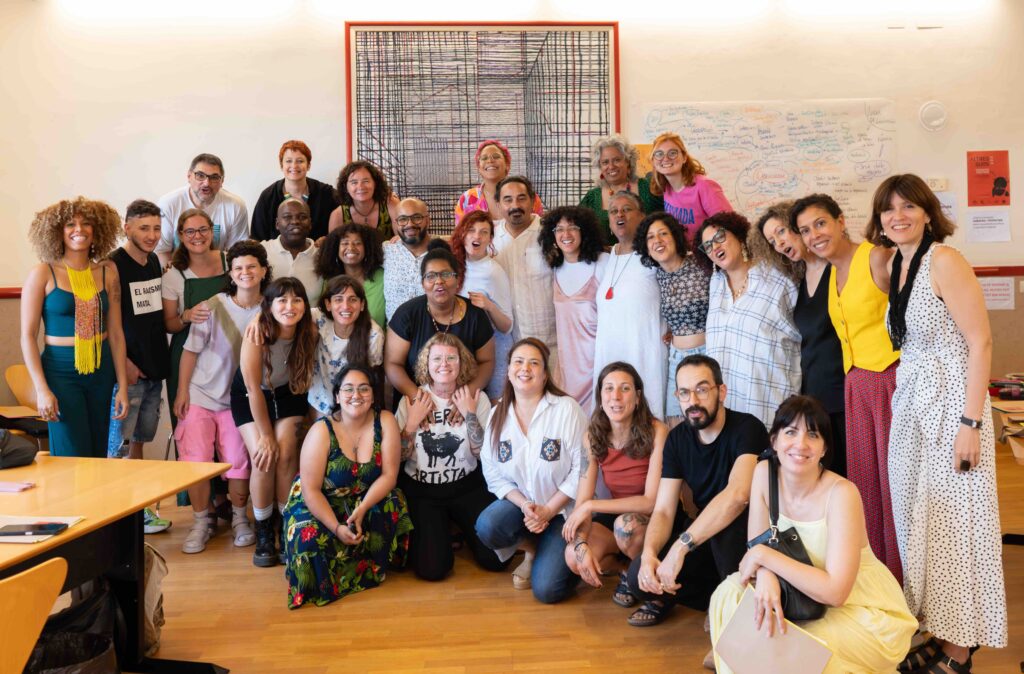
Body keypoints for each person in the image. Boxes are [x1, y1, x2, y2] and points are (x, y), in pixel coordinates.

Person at [868, 174, 1007, 670]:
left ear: (928, 212)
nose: (897, 216)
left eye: (909, 206)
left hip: (953, 404)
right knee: (917, 519)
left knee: (956, 523)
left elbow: (980, 342)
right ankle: (941, 625)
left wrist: (971, 423)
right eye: (888, 209)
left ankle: (960, 648)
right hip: (912, 402)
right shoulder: (895, 264)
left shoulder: (945, 260)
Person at [708, 395, 917, 674]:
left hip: (859, 609)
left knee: (792, 645)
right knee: (727, 595)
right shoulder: (764, 473)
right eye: (790, 432)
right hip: (797, 595)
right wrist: (766, 574)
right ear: (774, 441)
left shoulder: (842, 494)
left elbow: (836, 592)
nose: (801, 444)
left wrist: (763, 557)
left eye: (813, 434)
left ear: (824, 448)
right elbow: (759, 546)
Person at [793, 193, 901, 581]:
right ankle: (879, 577)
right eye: (806, 230)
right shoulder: (831, 273)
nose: (814, 235)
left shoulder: (877, 258)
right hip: (856, 388)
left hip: (888, 381)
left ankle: (907, 578)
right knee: (866, 487)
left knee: (895, 487)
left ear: (841, 221)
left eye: (820, 223)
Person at [627, 354, 766, 636]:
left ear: (721, 391)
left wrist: (680, 548)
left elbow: (738, 495)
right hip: (704, 537)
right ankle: (716, 598)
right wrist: (650, 554)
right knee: (637, 578)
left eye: (702, 390)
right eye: (684, 392)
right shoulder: (677, 439)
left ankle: (735, 613)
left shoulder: (747, 428)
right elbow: (663, 510)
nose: (693, 401)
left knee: (727, 529)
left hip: (747, 535)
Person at [283, 364, 413, 608]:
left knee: (393, 500)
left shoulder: (385, 420)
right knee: (306, 536)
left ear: (373, 395)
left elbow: (389, 476)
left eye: (364, 389)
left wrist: (362, 509)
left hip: (363, 497)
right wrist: (335, 527)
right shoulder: (321, 430)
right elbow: (311, 490)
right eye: (348, 389)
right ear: (337, 396)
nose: (356, 395)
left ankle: (372, 566)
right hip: (322, 501)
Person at [172, 240, 269, 554]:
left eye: (252, 266)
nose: (245, 273)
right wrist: (182, 391)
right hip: (200, 395)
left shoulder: (272, 309)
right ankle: (201, 523)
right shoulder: (212, 306)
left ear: (264, 271)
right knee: (196, 461)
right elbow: (189, 352)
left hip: (240, 401)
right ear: (231, 272)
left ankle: (240, 519)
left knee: (239, 463)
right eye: (238, 267)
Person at [475, 338, 587, 604]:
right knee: (488, 526)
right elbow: (492, 472)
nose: (525, 368)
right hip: (524, 509)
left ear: (545, 374)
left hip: (562, 512)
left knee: (548, 590)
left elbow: (582, 470)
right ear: (508, 371)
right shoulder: (497, 414)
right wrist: (525, 505)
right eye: (518, 362)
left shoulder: (566, 409)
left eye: (534, 363)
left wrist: (548, 510)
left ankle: (562, 551)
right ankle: (533, 548)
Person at [21, 197, 129, 457]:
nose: (79, 229)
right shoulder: (43, 273)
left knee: (99, 453)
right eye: (70, 224)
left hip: (102, 371)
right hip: (60, 373)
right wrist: (42, 389)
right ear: (57, 231)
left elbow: (116, 334)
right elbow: (27, 336)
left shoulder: (108, 273)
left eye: (86, 223)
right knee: (71, 454)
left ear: (97, 229)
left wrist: (123, 387)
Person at [396, 333, 506, 580]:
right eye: (436, 358)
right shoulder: (412, 399)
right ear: (426, 364)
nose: (443, 364)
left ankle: (458, 530)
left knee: (495, 559)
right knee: (432, 570)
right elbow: (399, 457)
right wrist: (412, 423)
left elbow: (483, 454)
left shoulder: (475, 397)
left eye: (451, 358)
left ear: (461, 362)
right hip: (423, 491)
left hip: (467, 486)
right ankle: (443, 532)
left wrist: (470, 415)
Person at [562, 362, 667, 608]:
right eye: (608, 388)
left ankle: (648, 580)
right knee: (573, 555)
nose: (616, 396)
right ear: (600, 397)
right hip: (617, 517)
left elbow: (650, 502)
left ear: (638, 397)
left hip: (654, 519)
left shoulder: (657, 431)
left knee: (625, 526)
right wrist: (581, 542)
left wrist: (590, 506)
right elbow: (582, 500)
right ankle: (627, 571)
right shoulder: (592, 436)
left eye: (625, 388)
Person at [753, 201, 846, 476]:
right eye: (772, 241)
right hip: (815, 395)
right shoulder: (801, 279)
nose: (779, 243)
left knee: (848, 474)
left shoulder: (838, 269)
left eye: (781, 232)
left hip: (843, 392)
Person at [233, 277, 318, 567]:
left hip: (288, 393)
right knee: (263, 456)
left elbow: (332, 308)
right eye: (282, 300)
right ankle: (263, 530)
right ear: (268, 306)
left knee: (287, 452)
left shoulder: (309, 328)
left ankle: (286, 524)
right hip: (251, 395)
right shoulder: (258, 333)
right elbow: (252, 389)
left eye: (297, 300)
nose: (290, 306)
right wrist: (265, 435)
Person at [696, 211, 801, 428]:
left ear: (739, 235)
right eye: (707, 246)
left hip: (770, 402)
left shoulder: (776, 278)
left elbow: (803, 334)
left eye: (720, 237)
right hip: (727, 409)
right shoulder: (715, 284)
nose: (715, 247)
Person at [106, 199, 172, 533]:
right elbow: (108, 323)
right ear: (127, 227)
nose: (151, 235)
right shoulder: (112, 265)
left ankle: (138, 513)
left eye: (156, 228)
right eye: (144, 228)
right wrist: (125, 365)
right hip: (128, 372)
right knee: (117, 447)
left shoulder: (154, 261)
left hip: (154, 367)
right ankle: (114, 518)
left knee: (139, 442)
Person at [385, 244, 495, 401]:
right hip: (416, 401)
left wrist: (466, 396)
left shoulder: (476, 315)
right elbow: (393, 364)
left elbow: (487, 362)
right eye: (431, 276)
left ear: (458, 279)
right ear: (422, 283)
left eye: (446, 274)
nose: (439, 281)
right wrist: (419, 398)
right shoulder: (407, 315)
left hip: (465, 402)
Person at [593, 191, 667, 419]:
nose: (619, 215)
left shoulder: (654, 254)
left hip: (645, 352)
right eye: (613, 211)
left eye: (627, 209)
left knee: (647, 418)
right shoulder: (608, 257)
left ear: (642, 216)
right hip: (610, 353)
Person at [633, 211, 711, 428]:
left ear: (675, 237)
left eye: (663, 233)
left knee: (708, 418)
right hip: (676, 357)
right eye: (650, 237)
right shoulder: (657, 275)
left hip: (708, 353)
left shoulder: (701, 264)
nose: (657, 240)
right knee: (676, 421)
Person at [538, 205, 608, 414]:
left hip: (597, 360)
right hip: (567, 364)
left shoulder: (603, 263)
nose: (566, 234)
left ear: (584, 230)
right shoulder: (555, 267)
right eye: (559, 229)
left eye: (572, 228)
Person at [162, 209, 229, 425]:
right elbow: (169, 325)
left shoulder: (231, 262)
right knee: (190, 427)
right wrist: (187, 316)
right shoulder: (173, 274)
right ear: (181, 236)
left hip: (227, 354)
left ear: (211, 231)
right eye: (190, 231)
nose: (197, 236)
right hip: (187, 358)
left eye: (203, 230)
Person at [492, 177, 559, 375]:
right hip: (506, 342)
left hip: (549, 340)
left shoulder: (551, 233)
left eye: (521, 198)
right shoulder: (490, 237)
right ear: (498, 204)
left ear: (533, 200)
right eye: (508, 199)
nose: (515, 205)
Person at [449, 210, 514, 400]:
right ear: (462, 234)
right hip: (461, 350)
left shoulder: (493, 272)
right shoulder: (451, 265)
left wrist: (489, 306)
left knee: (494, 407)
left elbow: (507, 326)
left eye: (483, 232)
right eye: (471, 230)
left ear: (490, 239)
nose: (476, 236)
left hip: (493, 351)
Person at [308, 275, 385, 418]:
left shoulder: (374, 335)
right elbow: (288, 314)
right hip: (320, 401)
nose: (345, 306)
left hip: (353, 405)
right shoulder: (318, 318)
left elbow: (372, 378)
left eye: (353, 299)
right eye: (338, 299)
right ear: (328, 304)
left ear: (362, 304)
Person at [155, 153, 249, 265]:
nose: (206, 183)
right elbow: (162, 251)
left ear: (222, 181)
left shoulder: (236, 206)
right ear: (189, 176)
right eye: (200, 175)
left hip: (218, 269)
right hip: (177, 268)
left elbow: (236, 253)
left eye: (214, 177)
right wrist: (174, 275)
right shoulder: (168, 204)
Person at [578, 134, 663, 243]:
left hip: (647, 251)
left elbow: (667, 221)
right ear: (600, 166)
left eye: (617, 160)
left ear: (628, 162)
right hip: (605, 254)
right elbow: (576, 228)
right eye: (605, 162)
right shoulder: (592, 198)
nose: (611, 166)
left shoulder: (648, 188)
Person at [648, 132, 731, 242]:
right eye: (659, 154)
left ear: (684, 157)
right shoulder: (666, 187)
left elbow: (729, 226)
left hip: (707, 250)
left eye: (672, 153)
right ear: (653, 160)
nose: (666, 158)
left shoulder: (704, 186)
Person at [250, 140, 337, 241]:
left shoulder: (327, 193)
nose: (294, 166)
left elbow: (345, 224)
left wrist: (328, 240)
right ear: (281, 165)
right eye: (288, 161)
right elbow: (257, 238)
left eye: (300, 161)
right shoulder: (268, 197)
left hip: (318, 251)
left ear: (308, 165)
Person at [455, 139, 543, 224]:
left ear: (507, 164)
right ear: (479, 168)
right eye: (484, 158)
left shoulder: (529, 198)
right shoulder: (466, 199)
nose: (490, 161)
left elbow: (539, 230)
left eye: (496, 156)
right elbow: (460, 232)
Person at [315, 223, 386, 329]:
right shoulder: (329, 279)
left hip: (377, 338)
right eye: (345, 243)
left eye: (358, 243)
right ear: (336, 248)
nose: (351, 248)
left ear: (367, 248)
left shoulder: (382, 277)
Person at [260, 199, 322, 305]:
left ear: (310, 223)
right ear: (277, 224)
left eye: (302, 217)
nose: (295, 222)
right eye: (287, 217)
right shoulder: (262, 251)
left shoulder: (322, 255)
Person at [383, 197, 435, 322]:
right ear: (396, 224)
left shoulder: (443, 252)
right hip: (395, 331)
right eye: (403, 219)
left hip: (432, 330)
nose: (410, 224)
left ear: (428, 220)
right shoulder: (387, 251)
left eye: (417, 217)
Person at [327, 160, 400, 240]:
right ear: (345, 187)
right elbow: (333, 246)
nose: (361, 187)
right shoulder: (338, 215)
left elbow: (403, 237)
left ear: (375, 183)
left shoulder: (390, 203)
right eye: (354, 182)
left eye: (366, 181)